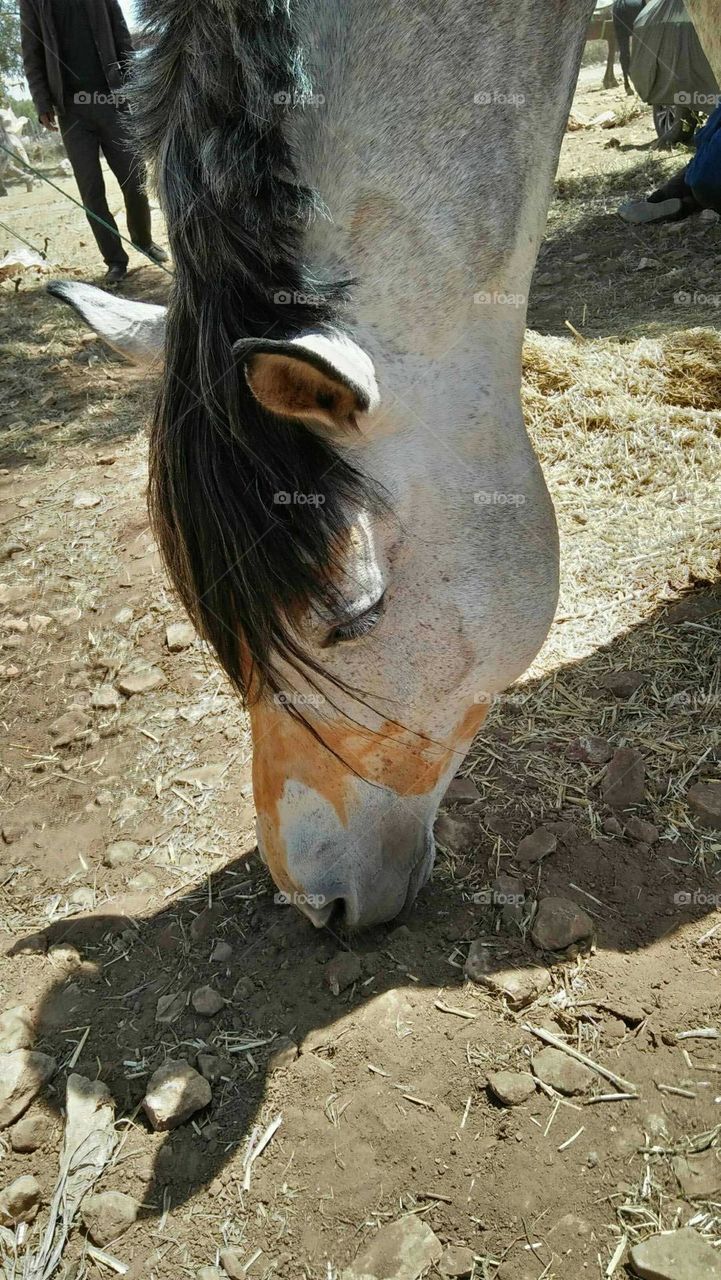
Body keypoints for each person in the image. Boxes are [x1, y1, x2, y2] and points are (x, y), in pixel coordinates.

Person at [20, 0, 168, 283]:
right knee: (91, 192)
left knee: (134, 178)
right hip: (70, 110)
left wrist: (133, 85)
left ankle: (144, 240)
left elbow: (121, 34)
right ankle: (115, 261)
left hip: (112, 99)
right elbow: (31, 51)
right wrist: (41, 103)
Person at [619, 101, 721, 224]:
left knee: (702, 164)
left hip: (698, 183)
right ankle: (687, 205)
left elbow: (701, 139)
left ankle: (660, 198)